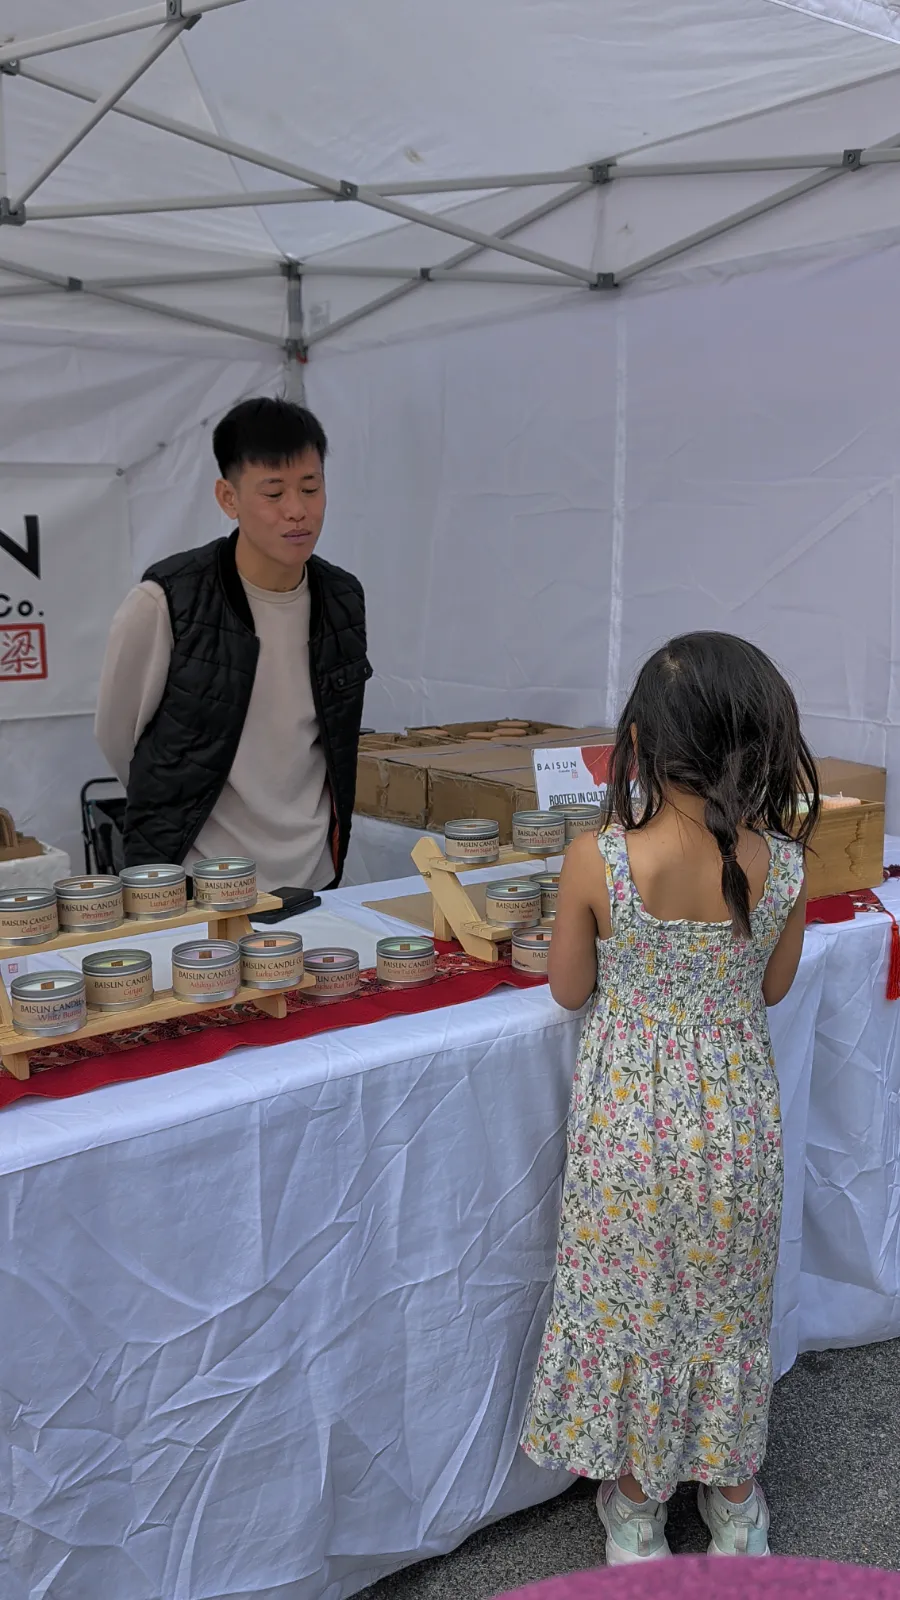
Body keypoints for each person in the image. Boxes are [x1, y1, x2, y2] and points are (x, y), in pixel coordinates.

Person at [520, 632, 820, 1565]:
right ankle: (733, 1505)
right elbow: (773, 987)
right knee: (726, 1309)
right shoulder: (786, 866)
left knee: (639, 1311)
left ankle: (639, 1507)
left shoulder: (599, 860)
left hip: (630, 1134)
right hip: (736, 1127)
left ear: (641, 742)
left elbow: (569, 988)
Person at [95, 396, 371, 889]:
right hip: (197, 885)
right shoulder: (167, 600)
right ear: (228, 498)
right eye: (274, 493)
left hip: (315, 879)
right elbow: (118, 738)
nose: (297, 511)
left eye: (311, 488)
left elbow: (332, 743)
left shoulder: (342, 598)